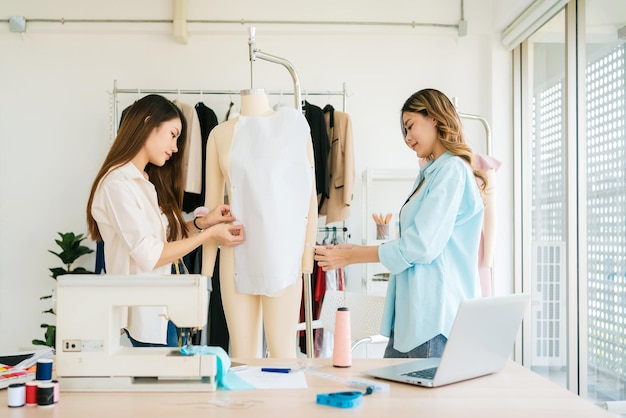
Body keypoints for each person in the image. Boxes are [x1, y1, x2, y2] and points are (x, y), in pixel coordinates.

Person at [315, 88, 486, 358]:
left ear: (434, 118)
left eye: (410, 127)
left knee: (415, 400)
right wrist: (353, 252)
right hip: (413, 319)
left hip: (433, 319)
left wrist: (354, 256)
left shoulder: (452, 171)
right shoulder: (431, 174)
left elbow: (420, 246)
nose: (407, 139)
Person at [86, 94, 244, 347]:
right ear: (149, 124)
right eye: (173, 134)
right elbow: (151, 255)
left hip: (162, 310)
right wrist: (209, 236)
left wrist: (203, 223)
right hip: (143, 316)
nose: (176, 147)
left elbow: (167, 238)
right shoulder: (117, 184)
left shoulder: (145, 182)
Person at [202, 89, 317, 358]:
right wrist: (205, 271)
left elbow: (307, 196)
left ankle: (282, 401)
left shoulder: (295, 127)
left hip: (283, 254)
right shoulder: (220, 134)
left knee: (283, 354)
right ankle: (246, 402)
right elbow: (212, 207)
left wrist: (306, 256)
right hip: (235, 253)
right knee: (242, 356)